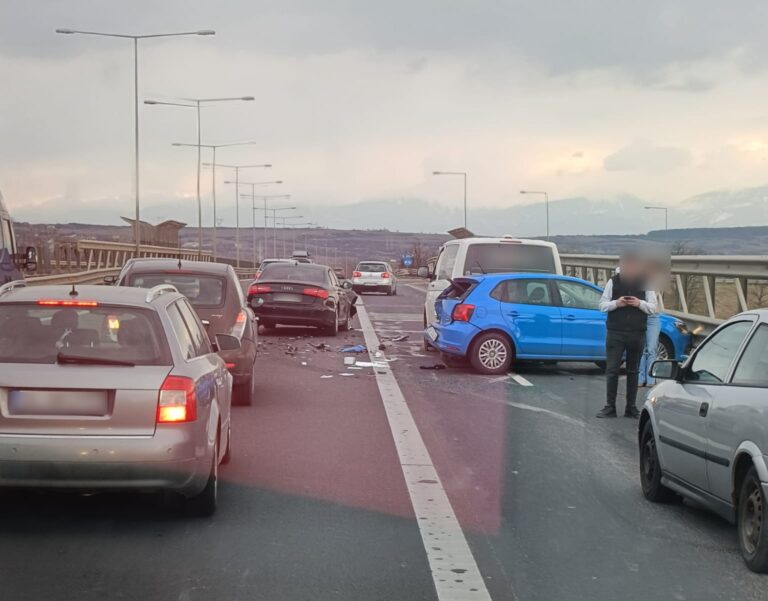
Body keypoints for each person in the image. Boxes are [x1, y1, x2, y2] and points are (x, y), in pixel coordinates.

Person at [596, 253, 657, 419]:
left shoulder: (646, 283)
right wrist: (617, 303)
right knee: (612, 369)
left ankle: (631, 407)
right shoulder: (613, 281)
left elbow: (653, 307)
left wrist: (639, 303)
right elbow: (602, 305)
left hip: (637, 332)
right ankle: (610, 406)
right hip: (615, 332)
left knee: (633, 371)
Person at [638, 291, 661, 388]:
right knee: (641, 349)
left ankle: (651, 379)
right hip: (639, 315)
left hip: (653, 317)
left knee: (651, 349)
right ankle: (640, 379)